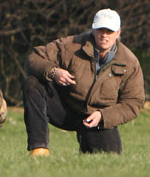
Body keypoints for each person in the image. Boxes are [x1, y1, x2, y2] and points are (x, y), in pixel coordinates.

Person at [23, 8, 145, 156]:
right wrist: (54, 71)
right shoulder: (69, 45)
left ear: (118, 33)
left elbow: (133, 103)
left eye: (110, 31)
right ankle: (39, 148)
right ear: (93, 30)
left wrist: (103, 116)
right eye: (101, 29)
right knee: (33, 83)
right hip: (64, 108)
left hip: (96, 118)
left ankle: (86, 141)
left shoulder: (130, 62)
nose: (104, 35)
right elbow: (33, 58)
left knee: (108, 159)